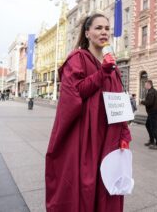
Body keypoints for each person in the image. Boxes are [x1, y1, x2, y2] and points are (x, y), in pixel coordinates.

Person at [45, 13, 132, 212]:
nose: (104, 32)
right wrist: (102, 73)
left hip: (109, 133)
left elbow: (119, 100)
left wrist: (124, 133)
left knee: (106, 182)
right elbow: (75, 93)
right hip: (86, 134)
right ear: (87, 33)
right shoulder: (77, 58)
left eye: (107, 28)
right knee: (86, 181)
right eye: (98, 28)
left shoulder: (113, 65)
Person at [141, 80, 157, 150]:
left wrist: (142, 101)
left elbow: (149, 103)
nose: (144, 86)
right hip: (152, 113)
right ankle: (152, 140)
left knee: (154, 128)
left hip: (153, 113)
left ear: (149, 84)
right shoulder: (152, 91)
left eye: (145, 84)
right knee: (147, 125)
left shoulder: (151, 92)